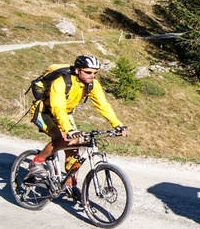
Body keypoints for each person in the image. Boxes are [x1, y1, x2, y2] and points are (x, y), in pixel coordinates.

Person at [27, 55, 127, 202]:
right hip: (44, 112)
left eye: (94, 73)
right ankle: (37, 161)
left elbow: (103, 105)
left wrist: (117, 124)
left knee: (76, 148)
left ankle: (69, 184)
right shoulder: (61, 82)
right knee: (63, 138)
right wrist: (68, 130)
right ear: (77, 70)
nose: (92, 76)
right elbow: (57, 108)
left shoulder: (92, 84)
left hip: (65, 115)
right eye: (88, 72)